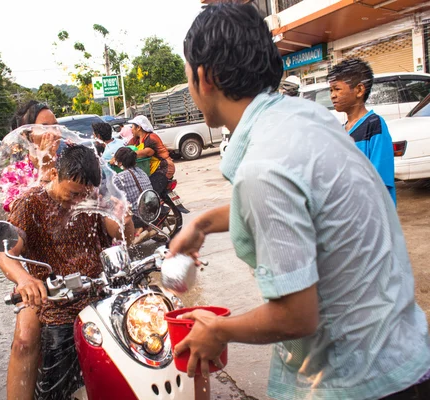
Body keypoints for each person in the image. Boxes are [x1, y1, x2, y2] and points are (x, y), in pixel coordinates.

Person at [169, 3, 430, 400]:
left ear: (204, 77)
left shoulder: (263, 167)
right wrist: (201, 224)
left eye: (188, 76)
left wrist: (218, 331)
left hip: (359, 383)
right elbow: (306, 204)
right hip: (406, 358)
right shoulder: (308, 119)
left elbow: (296, 316)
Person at [0, 145, 133, 400]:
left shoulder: (95, 199)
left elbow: (124, 235)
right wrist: (25, 279)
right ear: (53, 174)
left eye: (82, 195)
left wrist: (123, 219)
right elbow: (7, 254)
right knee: (55, 391)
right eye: (71, 193)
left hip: (102, 299)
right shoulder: (30, 204)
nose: (77, 202)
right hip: (58, 306)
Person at [328, 58, 397, 205]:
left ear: (359, 90)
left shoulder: (374, 125)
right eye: (331, 90)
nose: (332, 95)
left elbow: (380, 181)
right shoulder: (340, 131)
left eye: (337, 89)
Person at [112, 146, 154, 243]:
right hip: (151, 211)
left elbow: (110, 193)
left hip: (138, 215)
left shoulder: (119, 178)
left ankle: (130, 233)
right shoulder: (141, 171)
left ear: (120, 162)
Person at [126, 115, 175, 195]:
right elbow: (126, 147)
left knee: (150, 193)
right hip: (152, 169)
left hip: (164, 167)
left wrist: (128, 154)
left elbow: (148, 152)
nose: (131, 130)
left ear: (138, 127)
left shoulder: (151, 137)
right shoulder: (136, 140)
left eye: (132, 127)